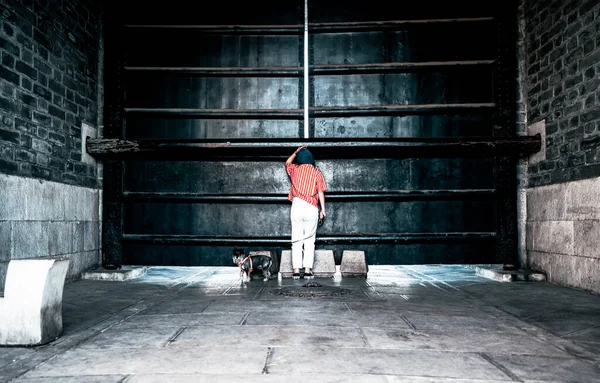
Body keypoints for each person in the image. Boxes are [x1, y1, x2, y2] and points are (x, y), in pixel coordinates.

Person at [285, 145, 327, 279]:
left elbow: (287, 162)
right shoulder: (316, 172)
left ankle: (296, 270)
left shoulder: (295, 169)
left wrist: (296, 152)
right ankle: (307, 270)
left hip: (297, 206)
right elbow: (320, 192)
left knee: (296, 239)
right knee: (310, 240)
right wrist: (323, 210)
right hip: (311, 207)